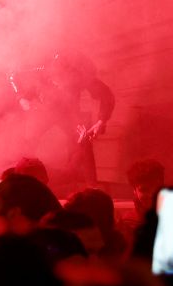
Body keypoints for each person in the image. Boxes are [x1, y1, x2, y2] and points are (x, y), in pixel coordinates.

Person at [17, 52, 114, 188]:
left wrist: (101, 121)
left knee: (84, 140)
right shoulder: (42, 72)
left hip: (69, 113)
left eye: (63, 79)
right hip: (46, 111)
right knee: (29, 140)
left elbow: (106, 95)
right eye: (56, 79)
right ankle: (21, 181)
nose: (59, 83)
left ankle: (92, 186)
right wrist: (22, 99)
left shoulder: (80, 76)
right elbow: (20, 82)